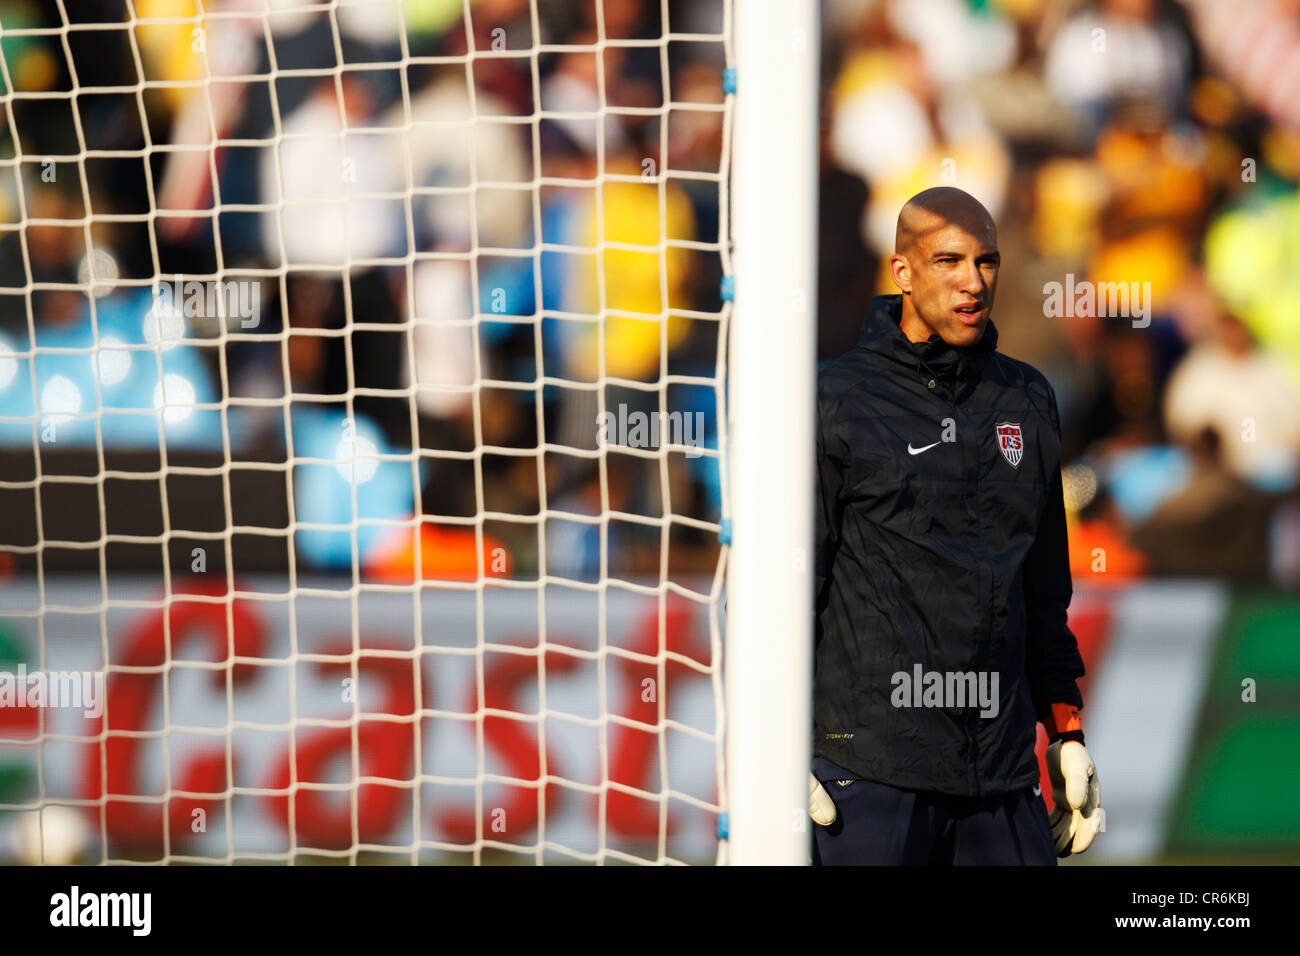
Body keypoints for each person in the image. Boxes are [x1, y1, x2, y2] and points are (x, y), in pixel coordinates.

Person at [810, 187, 1101, 865]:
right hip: (870, 772)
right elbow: (789, 589)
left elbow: (1043, 594)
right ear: (901, 271)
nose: (974, 282)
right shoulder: (835, 401)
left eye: (987, 261)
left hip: (1000, 776)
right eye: (949, 260)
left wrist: (1067, 733)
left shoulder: (1028, 397)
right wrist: (776, 745)